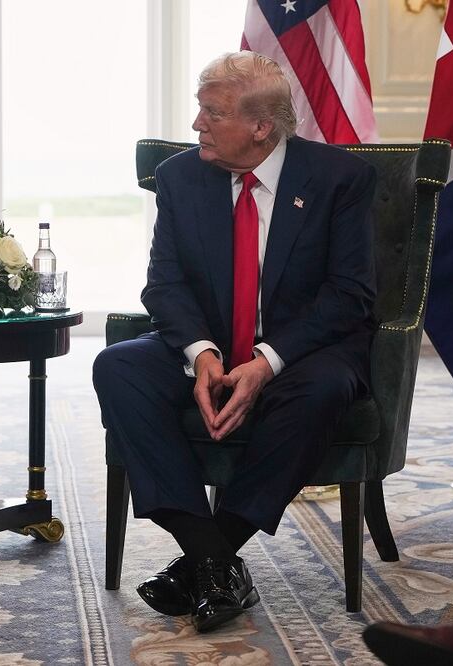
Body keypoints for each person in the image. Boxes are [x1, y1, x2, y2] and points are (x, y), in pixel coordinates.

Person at [92, 51, 377, 633]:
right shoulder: (180, 176)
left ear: (260, 128)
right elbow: (164, 284)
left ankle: (205, 559)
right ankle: (211, 555)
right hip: (212, 344)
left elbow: (350, 296)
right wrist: (202, 354)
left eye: (211, 112)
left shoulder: (338, 180)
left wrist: (266, 362)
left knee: (324, 388)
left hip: (303, 352)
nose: (196, 123)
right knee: (116, 366)